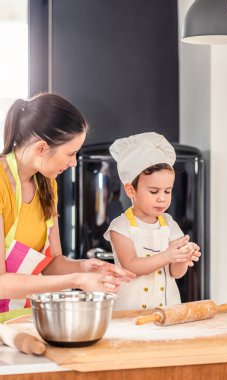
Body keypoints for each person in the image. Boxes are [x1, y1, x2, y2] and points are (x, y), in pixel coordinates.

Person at [0, 93, 135, 321]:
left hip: (19, 319)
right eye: (70, 153)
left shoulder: (47, 185)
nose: (73, 163)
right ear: (41, 148)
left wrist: (86, 268)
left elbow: (53, 263)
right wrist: (77, 281)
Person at [104, 132, 201, 310]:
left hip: (167, 310)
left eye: (167, 191)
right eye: (154, 191)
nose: (162, 199)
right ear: (130, 190)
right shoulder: (120, 227)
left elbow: (175, 273)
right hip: (130, 313)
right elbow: (131, 266)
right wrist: (167, 255)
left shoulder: (169, 224)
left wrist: (182, 258)